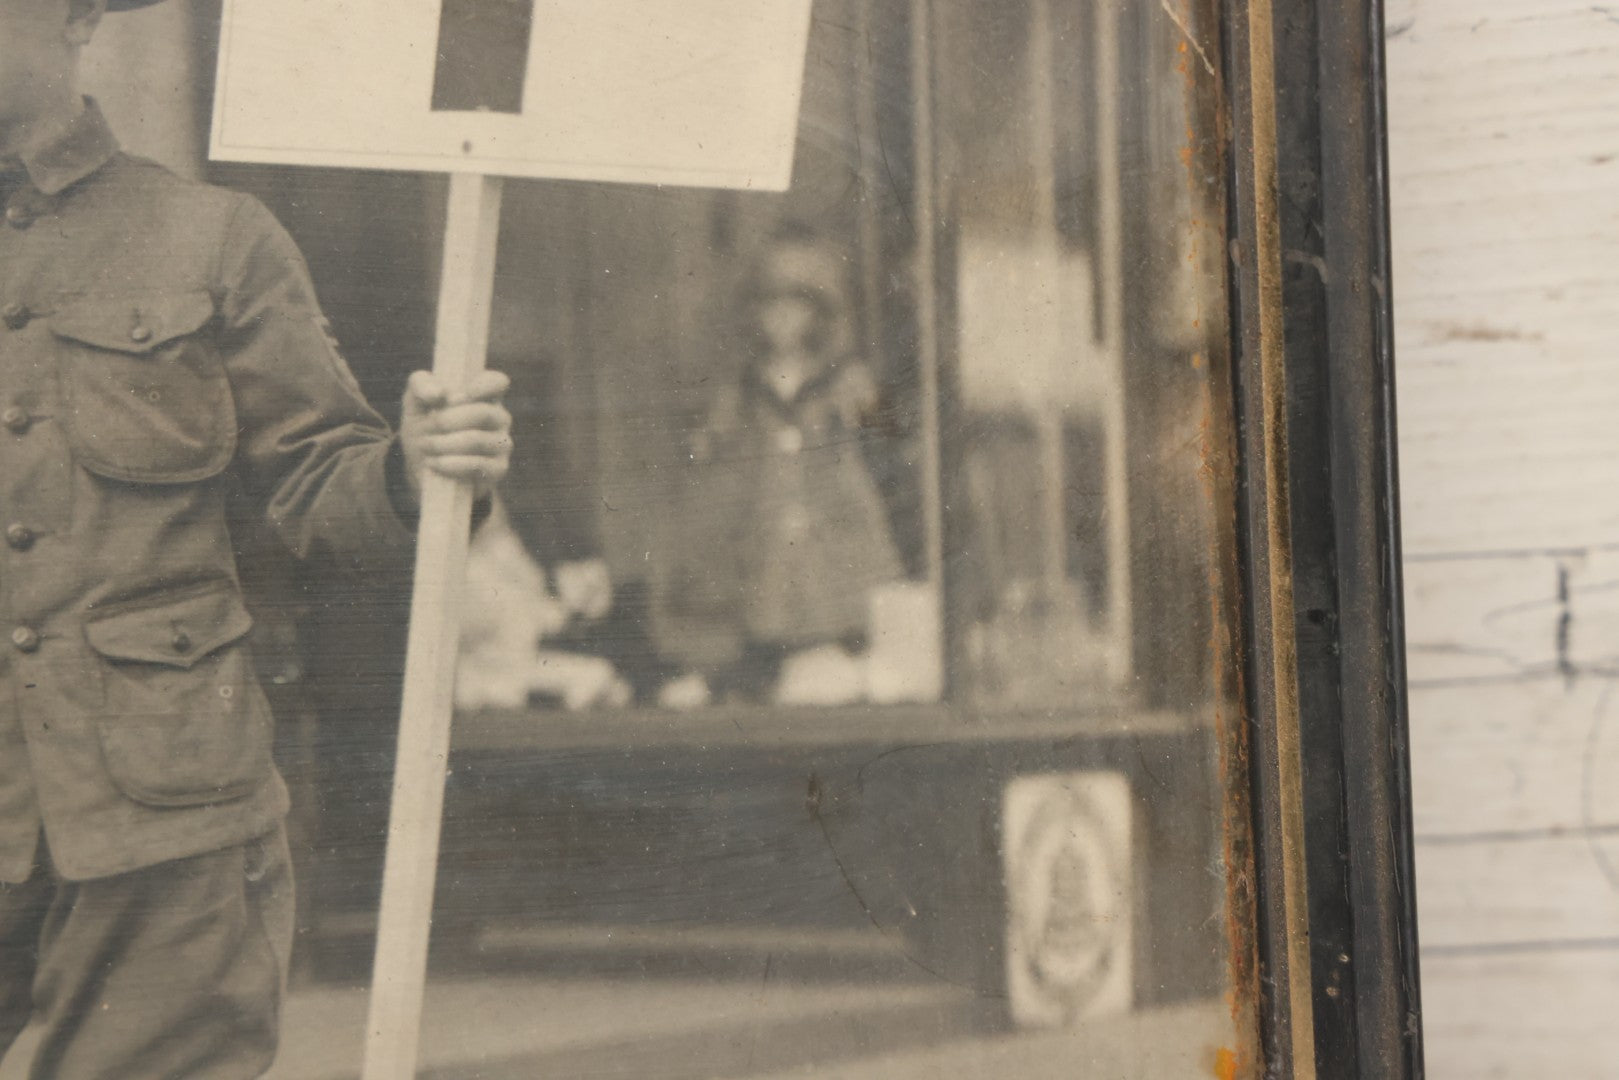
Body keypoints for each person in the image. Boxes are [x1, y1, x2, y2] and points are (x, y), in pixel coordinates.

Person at [0, 1, 513, 1076]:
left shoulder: (210, 238)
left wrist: (412, 475)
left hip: (162, 830)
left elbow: (320, 479)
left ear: (76, 20)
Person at [675, 226, 905, 706]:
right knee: (764, 619)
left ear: (818, 313)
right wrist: (706, 442)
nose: (780, 319)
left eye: (796, 305)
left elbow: (888, 436)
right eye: (768, 305)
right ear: (753, 314)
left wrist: (867, 410)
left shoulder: (841, 377)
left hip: (831, 522)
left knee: (834, 632)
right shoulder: (742, 386)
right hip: (762, 525)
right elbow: (707, 445)